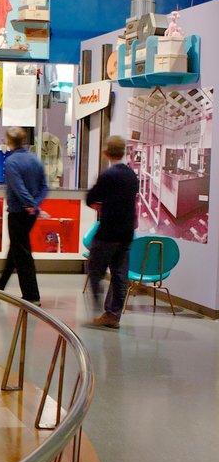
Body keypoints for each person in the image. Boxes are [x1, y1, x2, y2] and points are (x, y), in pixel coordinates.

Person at [86, 136, 139, 329]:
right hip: (126, 233)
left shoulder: (107, 175)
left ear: (106, 153)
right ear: (123, 152)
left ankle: (98, 303)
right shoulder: (132, 176)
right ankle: (113, 314)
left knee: (94, 269)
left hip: (108, 232)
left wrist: (101, 203)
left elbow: (91, 197)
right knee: (119, 275)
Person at [0, 127, 49, 304]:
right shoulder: (35, 160)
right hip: (29, 213)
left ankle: (32, 295)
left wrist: (30, 205)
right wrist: (36, 205)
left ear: (9, 141)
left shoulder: (11, 162)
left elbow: (18, 188)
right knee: (18, 247)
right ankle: (0, 284)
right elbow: (44, 186)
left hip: (18, 212)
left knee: (22, 252)